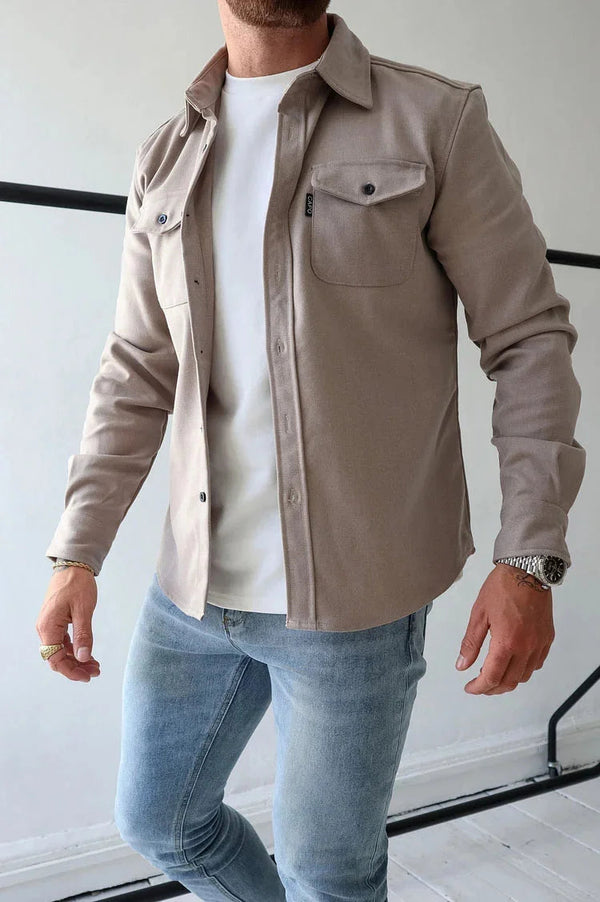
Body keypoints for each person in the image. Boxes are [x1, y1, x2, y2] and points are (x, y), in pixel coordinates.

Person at [37, 2, 586, 899]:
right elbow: (137, 367)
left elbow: (527, 338)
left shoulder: (434, 121)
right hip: (193, 589)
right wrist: (76, 552)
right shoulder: (164, 155)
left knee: (327, 876)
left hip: (356, 604)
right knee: (160, 820)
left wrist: (529, 556)